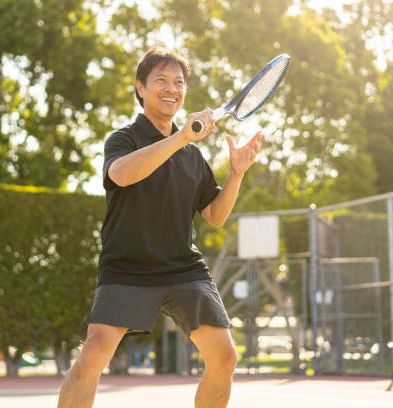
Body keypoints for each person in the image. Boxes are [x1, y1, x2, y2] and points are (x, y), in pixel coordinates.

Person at [57, 46, 261, 408]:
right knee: (92, 356)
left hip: (184, 268)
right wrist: (181, 136)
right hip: (127, 267)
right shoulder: (123, 139)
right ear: (140, 88)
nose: (172, 88)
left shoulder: (193, 156)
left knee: (225, 358)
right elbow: (120, 175)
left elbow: (215, 215)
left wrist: (236, 173)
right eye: (161, 80)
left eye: (179, 82)